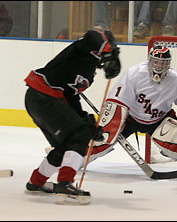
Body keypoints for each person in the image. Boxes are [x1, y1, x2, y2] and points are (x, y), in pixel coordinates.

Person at [24, 29, 121, 202]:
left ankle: (36, 182)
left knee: (68, 144)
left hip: (41, 99)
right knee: (79, 135)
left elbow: (70, 96)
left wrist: (83, 118)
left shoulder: (89, 69)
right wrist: (110, 52)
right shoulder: (83, 50)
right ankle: (65, 184)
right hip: (44, 97)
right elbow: (95, 34)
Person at [85, 45, 177, 167]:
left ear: (169, 64)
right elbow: (117, 101)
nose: (159, 66)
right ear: (150, 61)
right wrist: (110, 126)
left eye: (163, 63)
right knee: (103, 140)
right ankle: (72, 160)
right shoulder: (136, 73)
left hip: (159, 121)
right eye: (156, 62)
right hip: (130, 119)